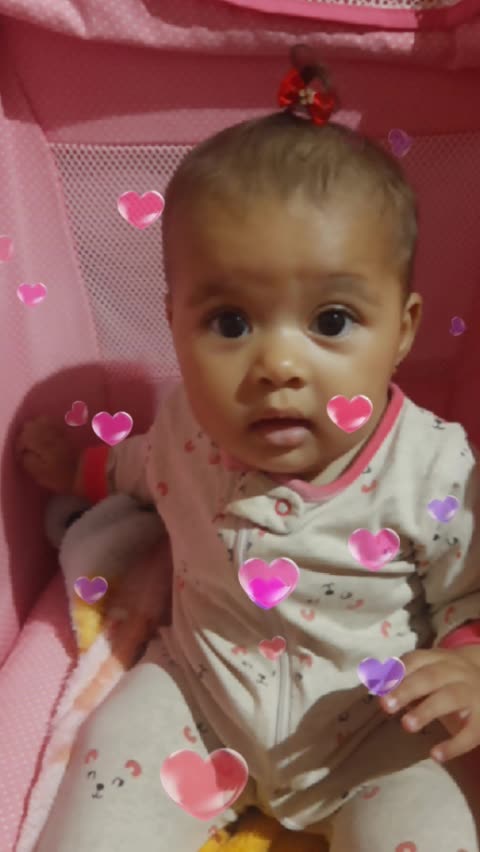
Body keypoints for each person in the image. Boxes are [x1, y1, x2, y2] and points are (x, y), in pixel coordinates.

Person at [16, 44, 480, 852]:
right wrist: (81, 467)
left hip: (377, 731)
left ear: (402, 331)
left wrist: (468, 663)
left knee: (437, 830)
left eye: (331, 321)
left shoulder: (435, 469)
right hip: (200, 704)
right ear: (175, 324)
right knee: (104, 776)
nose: (277, 367)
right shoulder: (188, 433)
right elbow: (138, 467)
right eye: (230, 323)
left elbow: (468, 591)